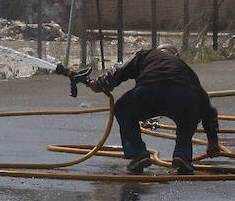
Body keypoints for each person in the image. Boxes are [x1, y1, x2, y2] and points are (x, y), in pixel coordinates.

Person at [87, 43, 221, 175]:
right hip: (182, 95)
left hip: (150, 90)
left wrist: (100, 83)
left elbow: (120, 70)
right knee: (190, 113)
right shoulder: (184, 68)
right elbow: (207, 106)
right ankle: (183, 154)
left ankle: (138, 154)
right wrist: (213, 141)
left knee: (123, 108)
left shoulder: (146, 54)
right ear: (177, 55)